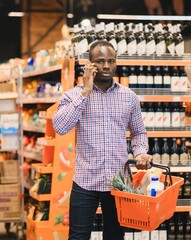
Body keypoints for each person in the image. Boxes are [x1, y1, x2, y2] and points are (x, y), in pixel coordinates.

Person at [52, 40, 152, 240]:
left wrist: (140, 152)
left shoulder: (129, 97)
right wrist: (85, 92)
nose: (106, 66)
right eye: (100, 61)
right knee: (78, 236)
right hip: (85, 181)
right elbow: (60, 127)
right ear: (90, 65)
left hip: (118, 182)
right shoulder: (73, 96)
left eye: (111, 61)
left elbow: (139, 132)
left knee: (115, 236)